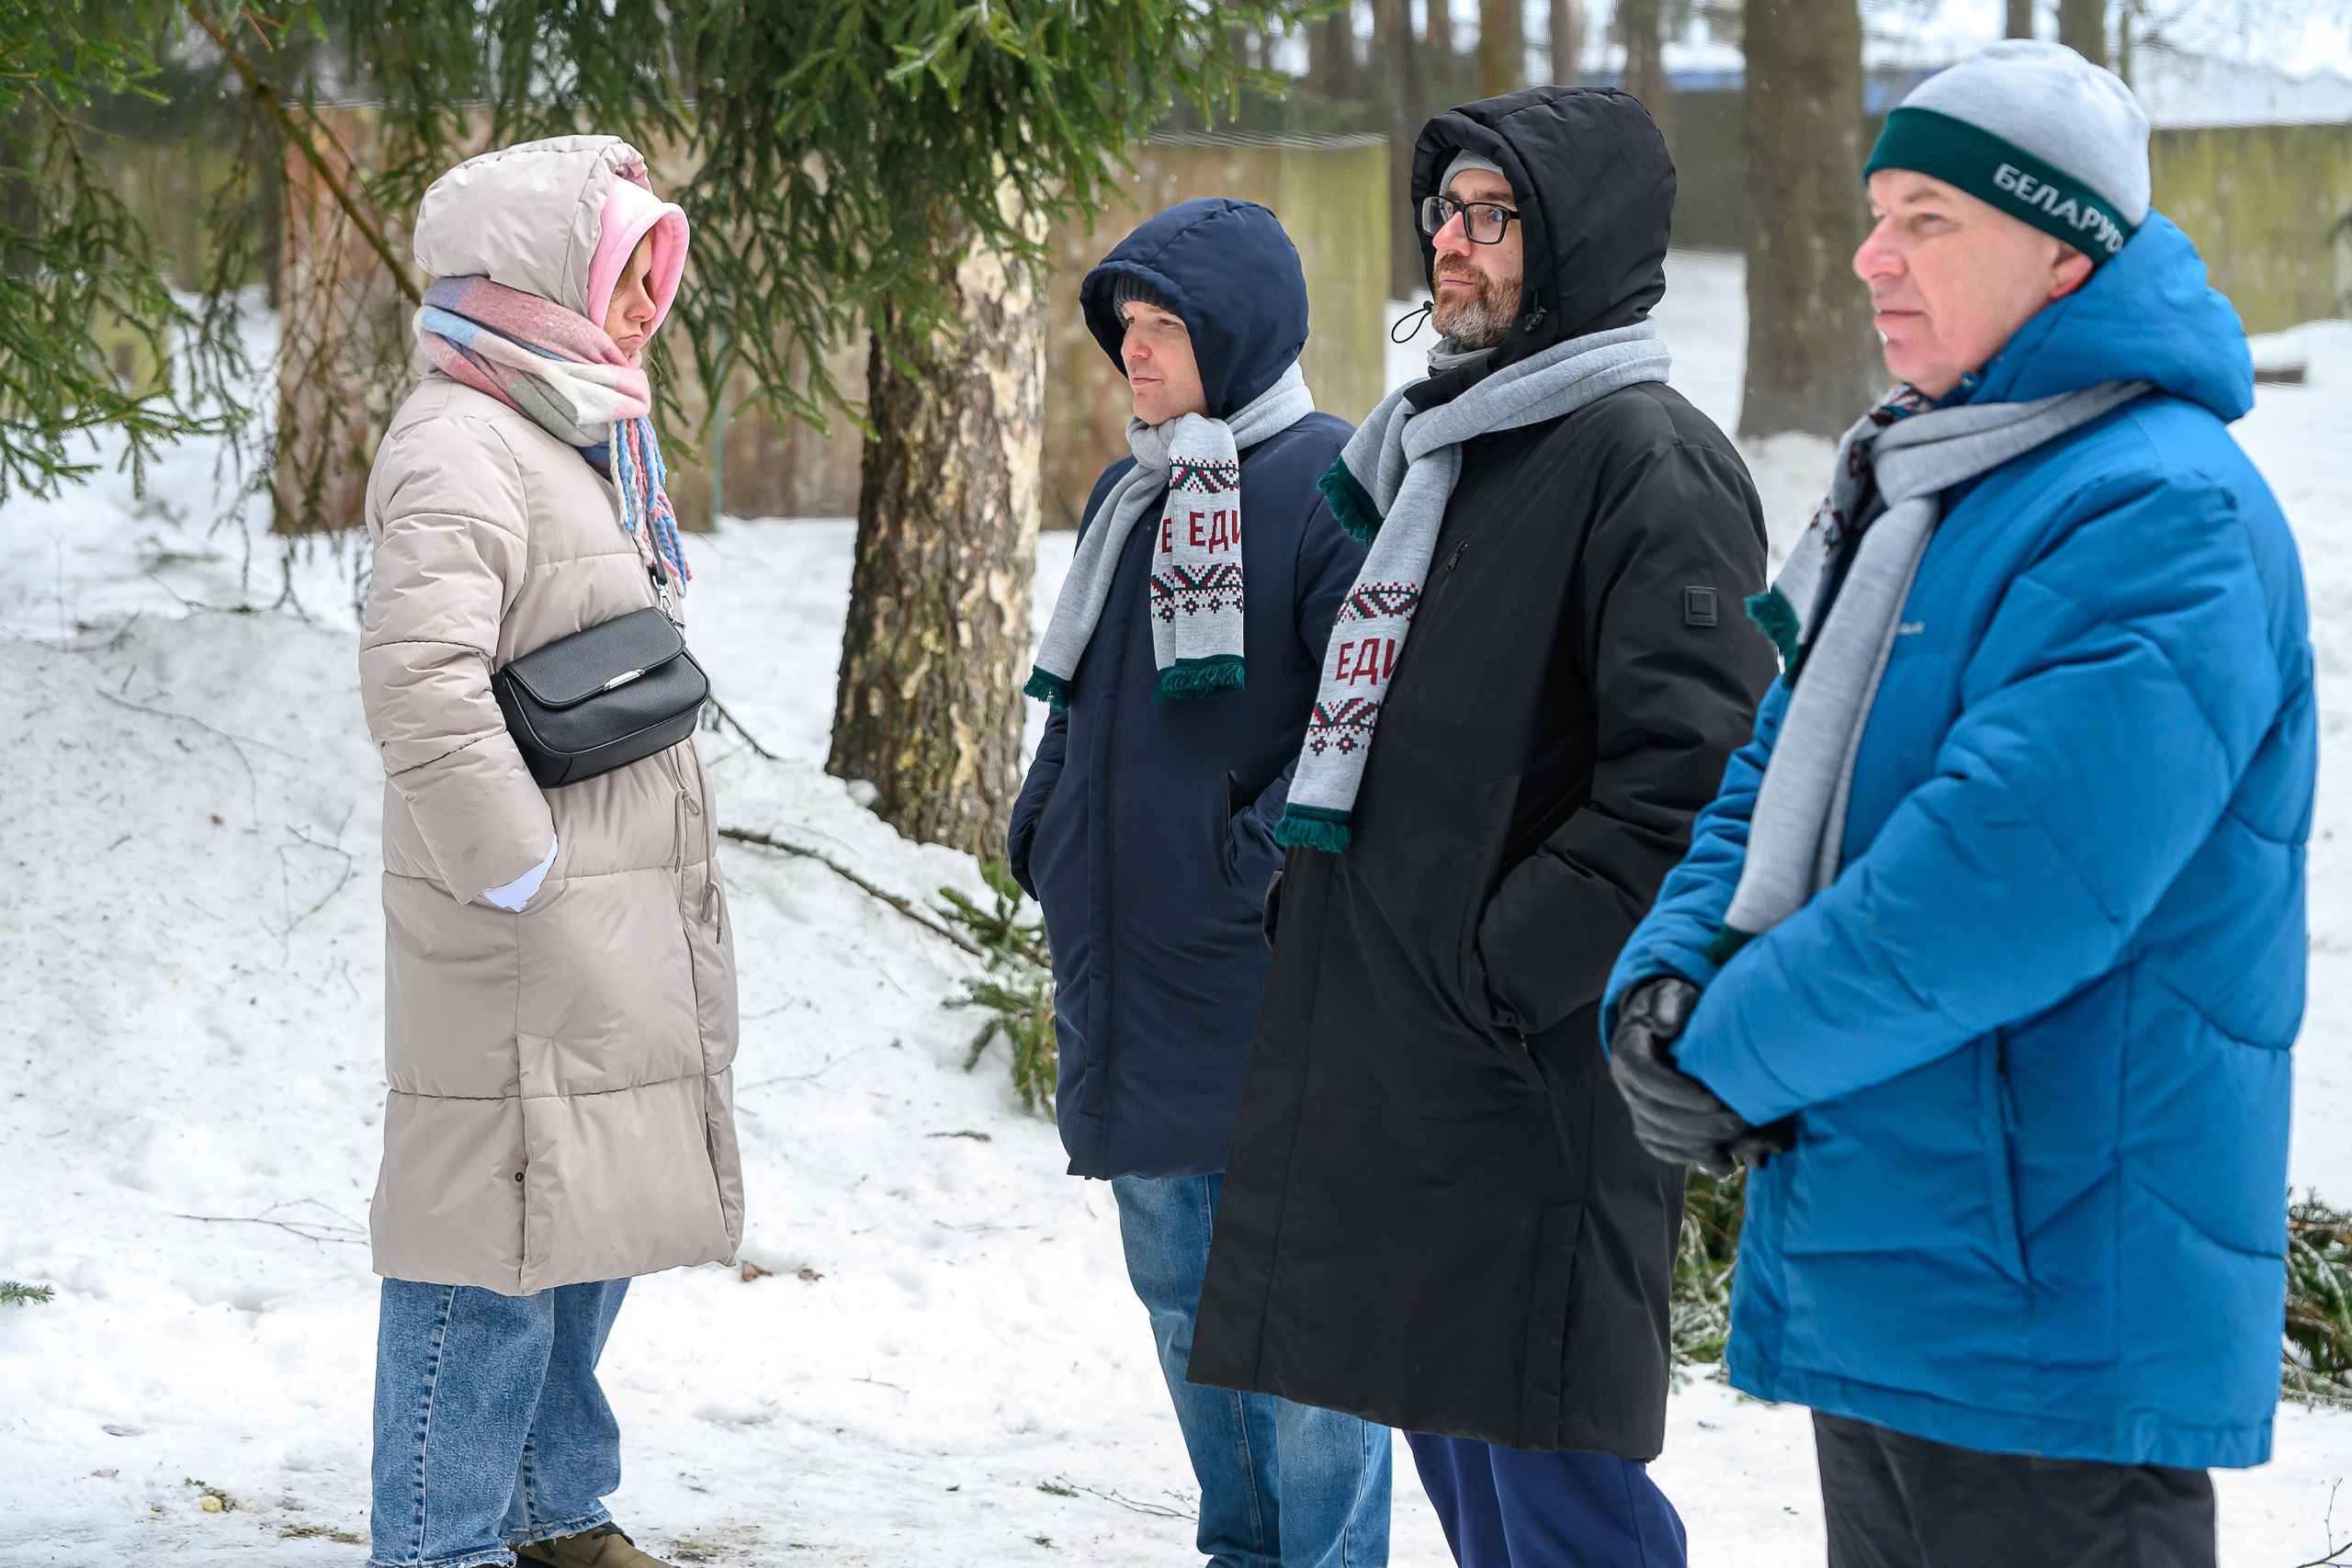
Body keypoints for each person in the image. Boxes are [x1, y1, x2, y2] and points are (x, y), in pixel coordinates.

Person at [1603, 41, 2312, 1568]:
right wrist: (1666, 980)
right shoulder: (1933, 480)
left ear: (2065, 248)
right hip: (1905, 1262)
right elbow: (1773, 769)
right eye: (1877, 214)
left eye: (1929, 218)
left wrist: (1729, 1052)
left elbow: (2000, 883)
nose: (1872, 257)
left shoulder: (2158, 509)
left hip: (2050, 1305)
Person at [1186, 90, 1778, 1568]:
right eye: (1441, 215)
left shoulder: (1647, 458)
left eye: (1490, 217)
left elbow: (1690, 778)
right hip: (1409, 1059)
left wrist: (1501, 967)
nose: (1448, 246)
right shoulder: (1446, 446)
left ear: (1576, 242)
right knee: (1467, 1464)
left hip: (1529, 1079)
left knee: (1554, 1471)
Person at [358, 135, 738, 1568]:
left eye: (657, 275)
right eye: (625, 275)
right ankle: (441, 1541)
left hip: (601, 918)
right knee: (488, 1254)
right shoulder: (459, 438)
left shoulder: (572, 424)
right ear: (533, 272)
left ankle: (552, 1509)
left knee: (588, 1222)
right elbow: (420, 683)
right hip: (523, 925)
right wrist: (522, 870)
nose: (649, 306)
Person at [1007, 197, 1391, 1567]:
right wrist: (1045, 824)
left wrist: (1254, 874)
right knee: (1180, 1296)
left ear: (1237, 333)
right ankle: (1244, 1547)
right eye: (1127, 330)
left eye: (1166, 329)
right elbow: (1088, 703)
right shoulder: (1139, 491)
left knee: (1297, 1311)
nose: (1138, 355)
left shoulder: (1334, 485)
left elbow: (1368, 723)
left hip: (1267, 975)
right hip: (1137, 969)